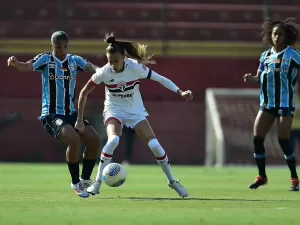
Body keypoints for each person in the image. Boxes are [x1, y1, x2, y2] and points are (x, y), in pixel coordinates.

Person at [75, 33, 193, 198]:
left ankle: (172, 181)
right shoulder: (104, 72)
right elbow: (84, 92)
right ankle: (97, 182)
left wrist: (180, 92)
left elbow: (160, 79)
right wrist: (79, 119)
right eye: (109, 60)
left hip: (135, 111)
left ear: (124, 57)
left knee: (155, 145)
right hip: (113, 110)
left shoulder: (136, 67)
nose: (112, 64)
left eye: (116, 60)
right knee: (114, 139)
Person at [7, 31, 101, 198]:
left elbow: (93, 68)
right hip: (51, 115)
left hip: (71, 113)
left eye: (65, 47)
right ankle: (75, 182)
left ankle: (85, 179)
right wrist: (16, 64)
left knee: (94, 139)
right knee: (73, 139)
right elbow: (26, 66)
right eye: (58, 47)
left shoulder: (74, 61)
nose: (62, 50)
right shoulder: (45, 59)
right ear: (52, 46)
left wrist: (104, 71)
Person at [244, 18, 300, 191]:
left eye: (280, 34)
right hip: (267, 103)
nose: (276, 37)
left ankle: (294, 178)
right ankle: (261, 176)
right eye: (274, 34)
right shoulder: (265, 55)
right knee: (257, 137)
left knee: (283, 139)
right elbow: (259, 75)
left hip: (285, 103)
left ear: (286, 36)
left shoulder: (293, 55)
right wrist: (251, 78)